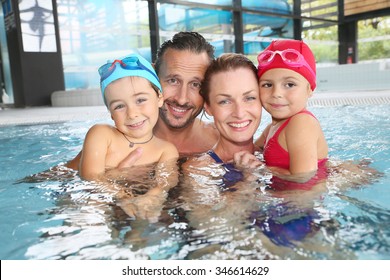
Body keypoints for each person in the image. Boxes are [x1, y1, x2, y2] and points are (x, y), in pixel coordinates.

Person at [65, 32, 219, 170]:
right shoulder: (110, 143)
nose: (182, 98)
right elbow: (59, 185)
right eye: (173, 80)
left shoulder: (219, 141)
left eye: (195, 84)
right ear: (153, 79)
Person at [79, 53, 178, 181]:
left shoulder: (165, 151)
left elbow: (163, 187)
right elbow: (91, 180)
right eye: (119, 106)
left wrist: (149, 199)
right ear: (111, 113)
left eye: (140, 100)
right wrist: (123, 196)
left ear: (159, 98)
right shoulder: (101, 135)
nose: (131, 114)